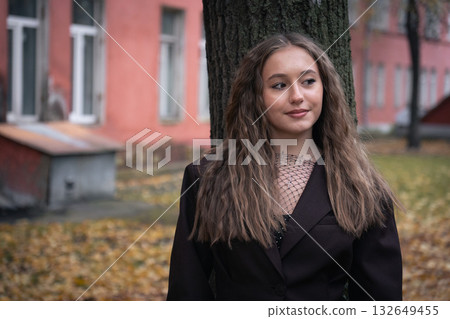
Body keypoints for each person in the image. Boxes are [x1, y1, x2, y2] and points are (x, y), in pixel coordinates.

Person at [167, 33, 403, 301]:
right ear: (255, 97)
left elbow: (380, 300)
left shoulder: (362, 186)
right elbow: (186, 292)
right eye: (279, 85)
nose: (297, 96)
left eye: (308, 81)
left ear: (325, 88)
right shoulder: (207, 177)